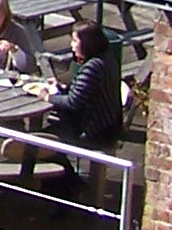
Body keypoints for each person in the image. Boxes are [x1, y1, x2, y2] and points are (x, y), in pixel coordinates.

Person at [43, 21, 124, 164]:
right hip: (109, 127)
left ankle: (66, 175)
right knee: (50, 128)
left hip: (94, 133)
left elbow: (73, 102)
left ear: (87, 43)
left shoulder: (93, 67)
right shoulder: (107, 58)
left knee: (41, 139)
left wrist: (47, 97)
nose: (72, 45)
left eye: (75, 41)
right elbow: (85, 92)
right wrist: (61, 87)